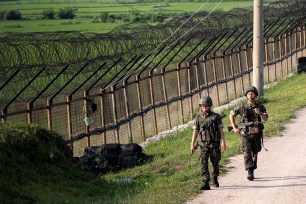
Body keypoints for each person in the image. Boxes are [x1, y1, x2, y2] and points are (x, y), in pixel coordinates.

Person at [229, 86, 268, 181]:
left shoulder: (260, 107)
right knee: (247, 151)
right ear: (246, 95)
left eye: (252, 93)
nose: (250, 95)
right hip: (245, 133)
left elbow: (265, 118)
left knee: (255, 151)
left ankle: (253, 166)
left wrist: (260, 113)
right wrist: (234, 127)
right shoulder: (241, 107)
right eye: (248, 93)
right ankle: (249, 170)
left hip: (256, 133)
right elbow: (231, 115)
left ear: (255, 95)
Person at [190, 96, 226, 190]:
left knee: (215, 162)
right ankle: (205, 182)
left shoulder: (216, 116)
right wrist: (192, 144)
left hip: (214, 144)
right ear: (200, 106)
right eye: (203, 106)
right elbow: (195, 131)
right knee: (203, 163)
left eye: (206, 106)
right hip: (202, 144)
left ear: (210, 106)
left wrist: (223, 142)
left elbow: (221, 130)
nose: (205, 108)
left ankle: (215, 178)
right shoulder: (198, 118)